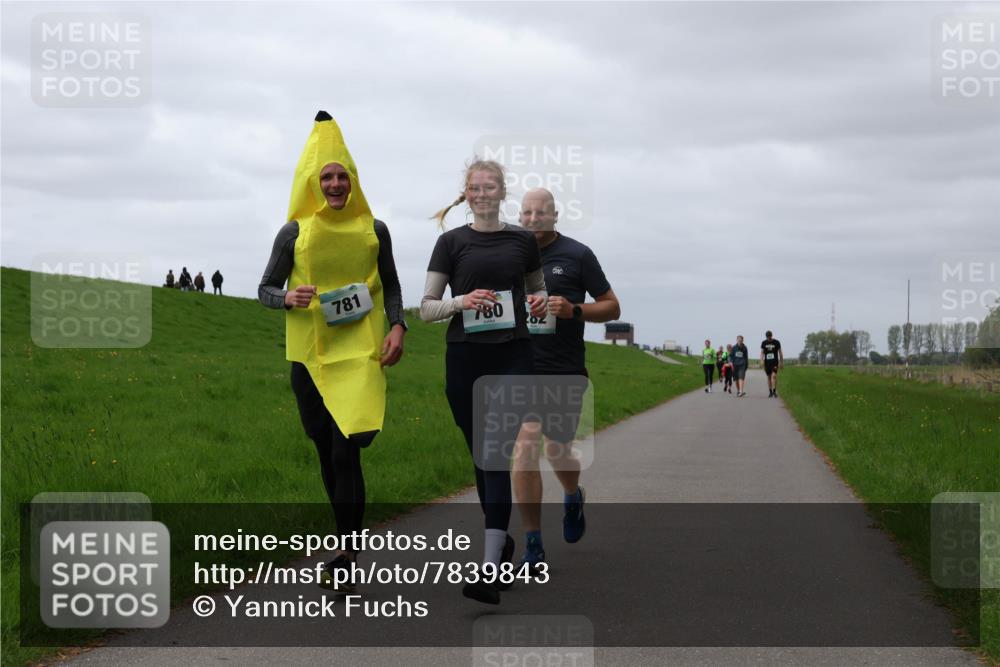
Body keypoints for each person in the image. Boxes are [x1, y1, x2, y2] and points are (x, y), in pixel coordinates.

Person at [258, 111, 406, 592]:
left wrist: (399, 326)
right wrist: (288, 297)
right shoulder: (294, 233)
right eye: (327, 176)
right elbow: (264, 288)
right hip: (309, 353)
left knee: (349, 450)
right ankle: (346, 540)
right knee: (325, 449)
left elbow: (392, 284)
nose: (336, 183)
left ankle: (344, 553)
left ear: (353, 180)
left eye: (343, 175)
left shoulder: (375, 229)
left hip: (360, 352)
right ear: (312, 183)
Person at [421, 159, 548, 605]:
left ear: (501, 191)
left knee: (495, 450)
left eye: (489, 186)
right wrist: (462, 301)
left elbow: (540, 293)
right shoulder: (451, 243)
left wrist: (538, 302)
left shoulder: (521, 241)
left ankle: (490, 565)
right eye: (474, 187)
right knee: (482, 455)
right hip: (465, 359)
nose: (482, 192)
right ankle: (502, 542)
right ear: (467, 193)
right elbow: (426, 308)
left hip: (513, 355)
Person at [511, 188, 620, 574]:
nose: (533, 218)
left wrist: (573, 309)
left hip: (564, 370)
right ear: (519, 216)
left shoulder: (577, 255)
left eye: (541, 212)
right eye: (526, 212)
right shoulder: (507, 253)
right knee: (524, 447)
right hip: (520, 367)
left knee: (557, 450)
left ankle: (572, 495)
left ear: (555, 216)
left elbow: (611, 306)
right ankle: (533, 544)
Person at [760, 330, 784, 397]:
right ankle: (770, 391)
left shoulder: (776, 342)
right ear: (766, 337)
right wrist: (761, 360)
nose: (769, 338)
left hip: (775, 362)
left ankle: (774, 391)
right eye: (767, 337)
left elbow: (780, 352)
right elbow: (762, 352)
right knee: (769, 376)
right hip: (767, 362)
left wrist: (781, 362)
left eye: (770, 337)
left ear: (771, 336)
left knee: (774, 376)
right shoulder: (764, 343)